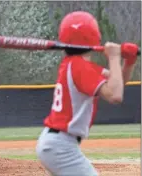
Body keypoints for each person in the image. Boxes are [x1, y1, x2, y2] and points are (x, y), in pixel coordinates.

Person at [35, 11, 138, 176]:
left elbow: (117, 84)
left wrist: (129, 63)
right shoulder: (81, 68)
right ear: (95, 36)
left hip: (56, 144)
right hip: (61, 146)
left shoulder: (75, 65)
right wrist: (113, 57)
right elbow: (115, 95)